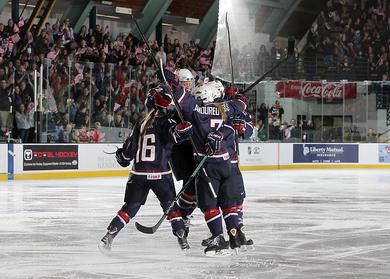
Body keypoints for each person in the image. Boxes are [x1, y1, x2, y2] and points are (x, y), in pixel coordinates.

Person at [99, 86, 194, 252]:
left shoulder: (141, 124)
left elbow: (127, 156)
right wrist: (185, 128)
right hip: (160, 176)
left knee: (130, 207)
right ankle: (182, 241)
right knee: (172, 209)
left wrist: (120, 155)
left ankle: (108, 236)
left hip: (138, 176)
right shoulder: (168, 123)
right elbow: (179, 135)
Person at [167, 75, 247, 255]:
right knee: (228, 201)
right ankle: (235, 233)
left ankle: (218, 236)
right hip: (226, 162)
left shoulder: (195, 111)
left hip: (207, 165)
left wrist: (172, 84)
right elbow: (241, 105)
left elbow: (182, 99)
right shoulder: (223, 108)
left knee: (208, 203)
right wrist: (238, 96)